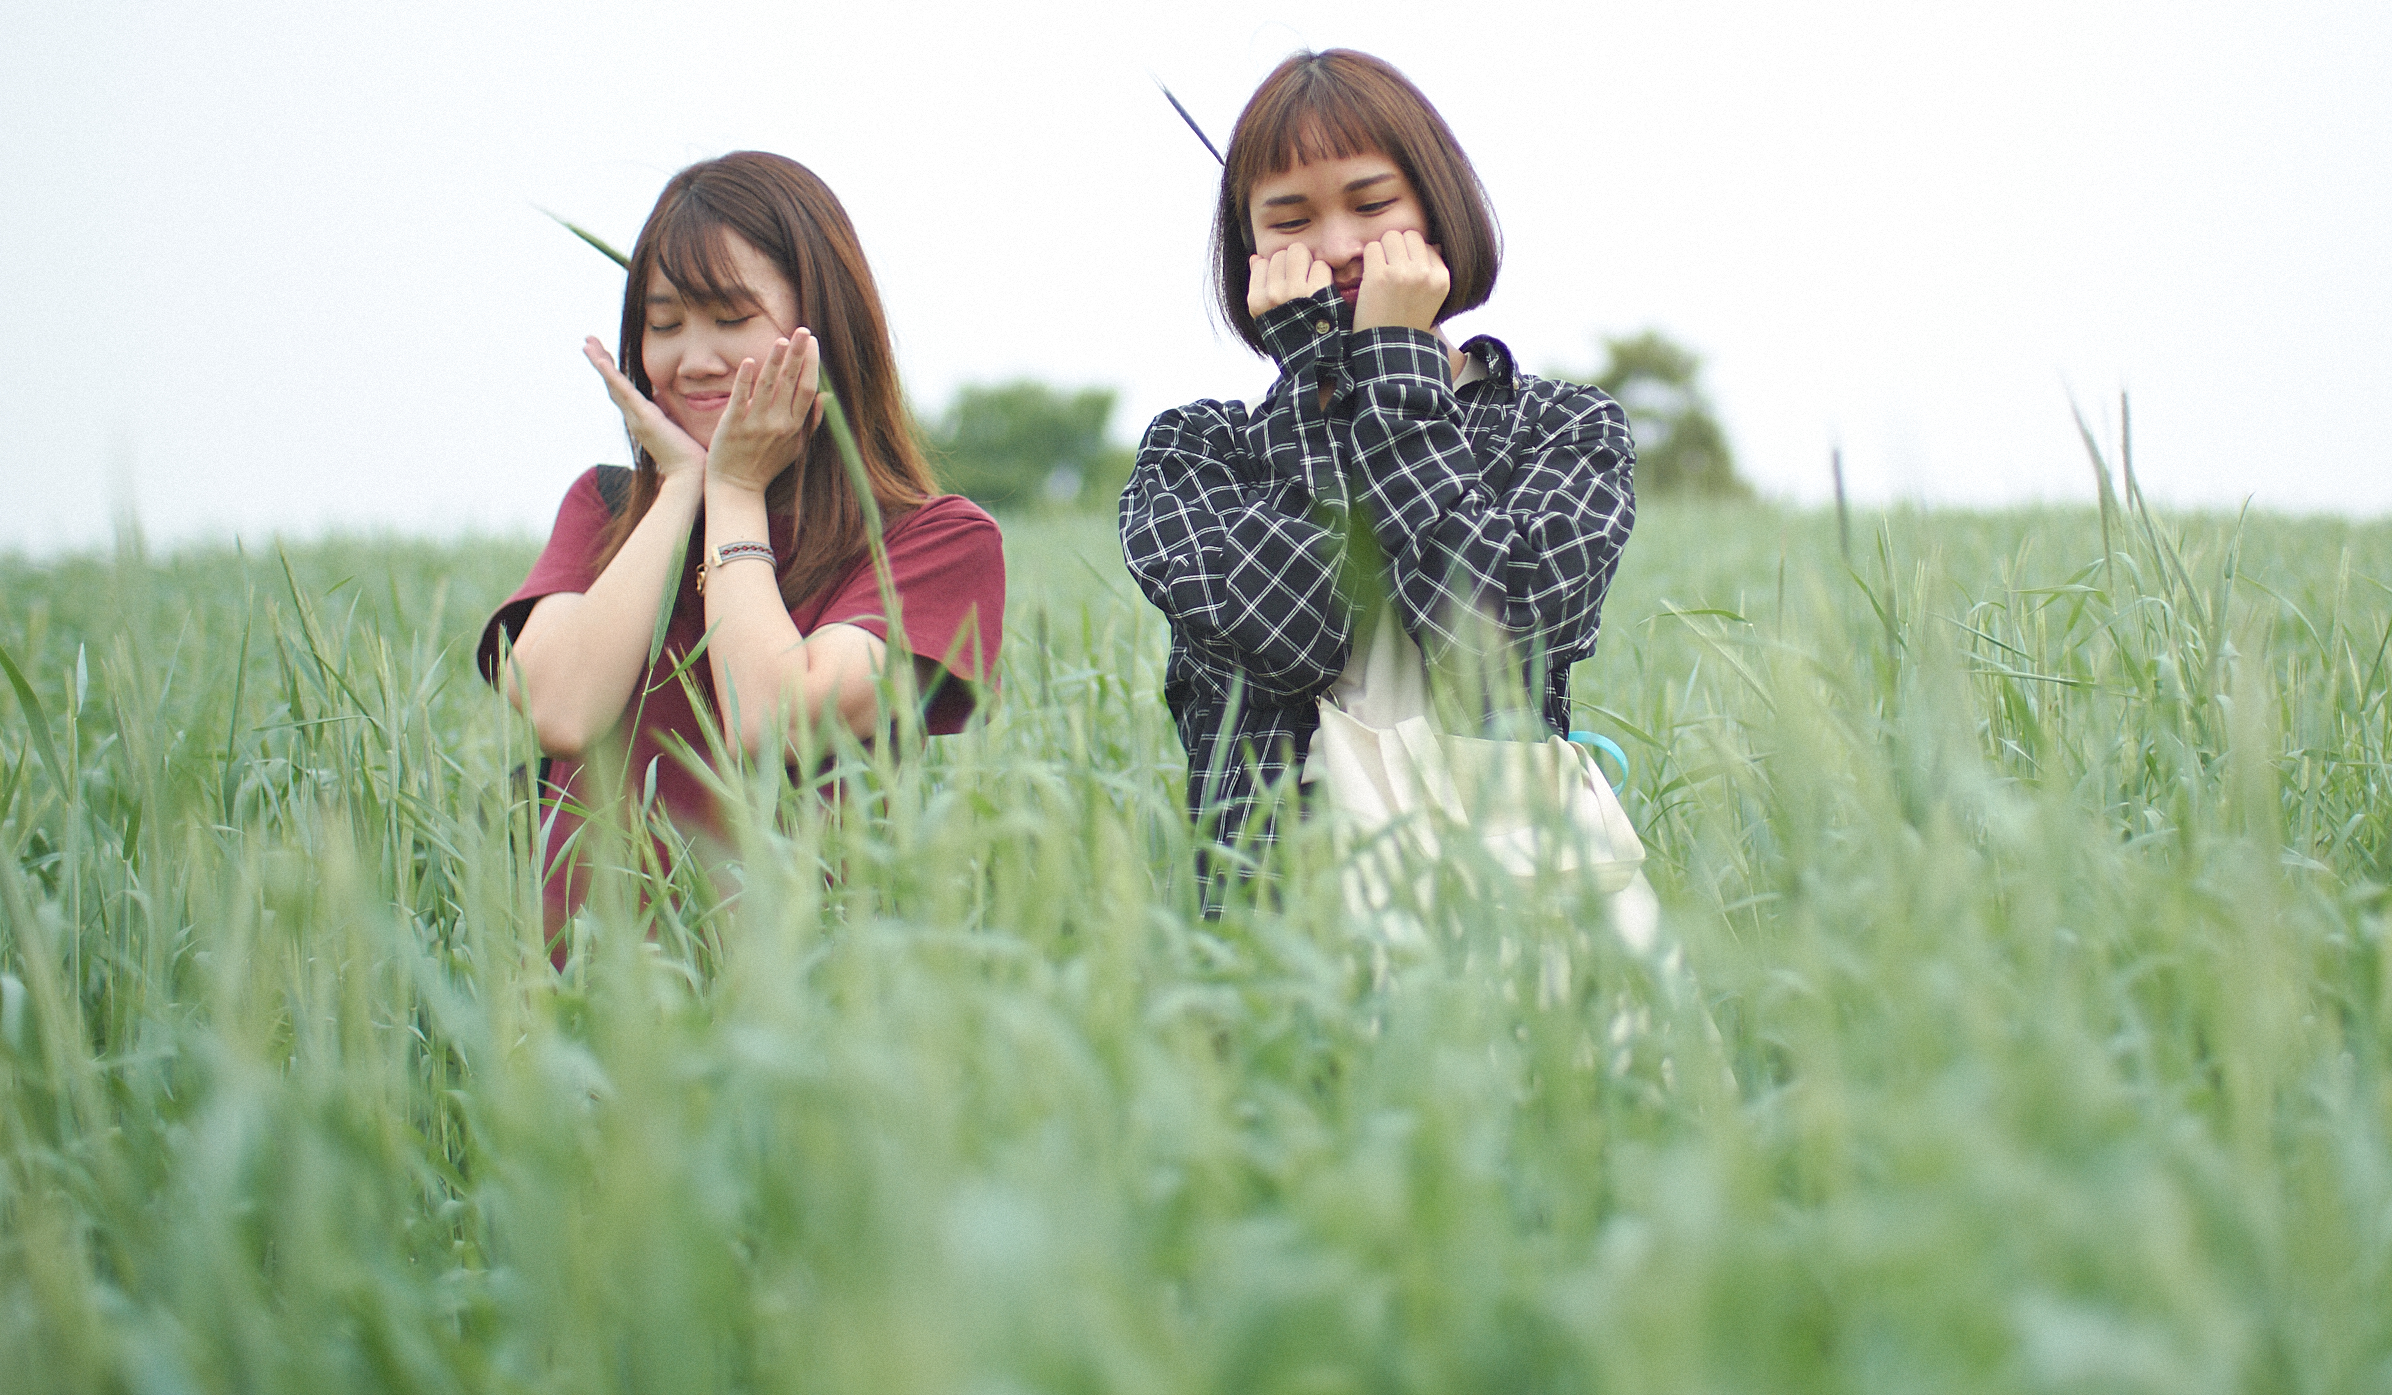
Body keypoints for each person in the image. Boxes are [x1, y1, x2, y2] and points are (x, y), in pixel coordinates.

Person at [1119, 50, 1637, 909]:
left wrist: (1392, 373)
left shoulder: (1561, 427)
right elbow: (1290, 637)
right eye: (1289, 220)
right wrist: (1318, 379)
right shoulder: (1196, 453)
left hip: (1513, 909)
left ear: (1436, 209)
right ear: (1250, 251)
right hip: (1282, 925)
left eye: (1371, 205)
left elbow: (1494, 649)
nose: (1335, 247)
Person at [477, 150, 1003, 949]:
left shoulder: (931, 541)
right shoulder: (604, 510)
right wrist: (682, 487)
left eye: (730, 320)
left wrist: (733, 488)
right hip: (583, 992)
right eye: (664, 326)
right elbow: (563, 712)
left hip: (803, 988)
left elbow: (773, 722)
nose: (694, 361)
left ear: (824, 326)